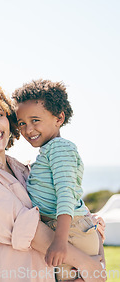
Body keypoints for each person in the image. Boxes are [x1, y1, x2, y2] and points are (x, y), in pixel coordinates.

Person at [0, 83, 105, 281]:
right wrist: (89, 265)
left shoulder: (24, 169)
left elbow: (72, 204)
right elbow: (28, 230)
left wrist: (96, 260)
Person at [12, 79, 102, 281]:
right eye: (22, 123)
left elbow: (66, 194)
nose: (28, 130)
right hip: (64, 231)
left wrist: (60, 241)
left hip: (69, 233)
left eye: (35, 120)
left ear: (59, 117)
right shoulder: (49, 151)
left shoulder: (59, 148)